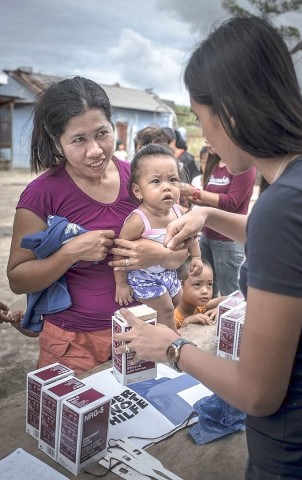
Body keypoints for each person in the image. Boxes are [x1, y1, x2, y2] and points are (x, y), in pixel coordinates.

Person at [112, 17, 302, 479]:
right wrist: (209, 214)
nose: (205, 138)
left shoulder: (283, 205)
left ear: (228, 111)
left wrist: (172, 348)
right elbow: (296, 243)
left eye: (203, 119)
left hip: (296, 452)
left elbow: (257, 392)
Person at [7, 76, 186, 375]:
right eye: (78, 139)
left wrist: (158, 256)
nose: (95, 150)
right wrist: (70, 253)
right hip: (73, 345)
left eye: (102, 133)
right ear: (57, 142)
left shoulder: (140, 181)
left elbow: (180, 254)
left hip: (141, 332)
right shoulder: (42, 194)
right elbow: (18, 279)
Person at [114, 143, 203, 333]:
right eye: (156, 181)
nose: (167, 188)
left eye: (173, 180)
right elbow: (120, 253)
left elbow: (191, 237)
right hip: (144, 277)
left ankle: (165, 332)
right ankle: (171, 343)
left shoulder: (178, 211)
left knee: (178, 299)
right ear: (138, 191)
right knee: (166, 309)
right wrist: (121, 284)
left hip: (167, 272)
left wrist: (196, 257)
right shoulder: (138, 220)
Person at [180, 142, 256, 296]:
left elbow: (230, 202)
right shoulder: (214, 163)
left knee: (229, 292)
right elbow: (208, 201)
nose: (207, 141)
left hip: (227, 241)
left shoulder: (244, 167)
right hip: (207, 237)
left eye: (210, 136)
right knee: (207, 289)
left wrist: (194, 191)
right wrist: (183, 193)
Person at [174, 258, 226, 329]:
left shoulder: (199, 306)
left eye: (210, 284)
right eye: (197, 284)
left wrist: (220, 308)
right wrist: (186, 323)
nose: (205, 291)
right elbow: (170, 339)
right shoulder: (172, 316)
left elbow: (226, 298)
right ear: (179, 285)